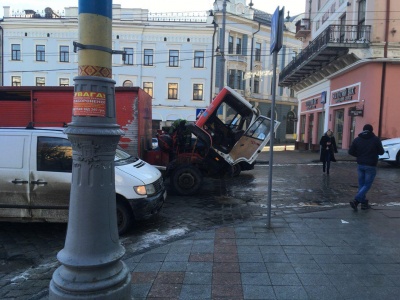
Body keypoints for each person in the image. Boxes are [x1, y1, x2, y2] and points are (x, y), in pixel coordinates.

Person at [348, 124, 384, 210]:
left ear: (363, 130)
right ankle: (356, 200)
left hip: (360, 164)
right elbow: (381, 152)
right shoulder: (376, 140)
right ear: (371, 130)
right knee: (367, 185)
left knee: (361, 184)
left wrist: (359, 155)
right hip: (371, 165)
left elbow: (350, 151)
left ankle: (363, 203)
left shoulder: (357, 139)